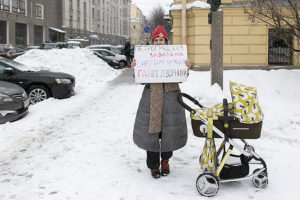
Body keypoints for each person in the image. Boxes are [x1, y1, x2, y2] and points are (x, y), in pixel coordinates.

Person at [131, 25, 191, 179]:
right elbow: (139, 80)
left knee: (168, 132)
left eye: (161, 40)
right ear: (153, 42)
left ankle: (165, 161)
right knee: (151, 133)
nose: (159, 42)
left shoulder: (174, 56)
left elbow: (180, 77)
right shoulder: (147, 56)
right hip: (152, 99)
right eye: (156, 40)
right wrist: (135, 69)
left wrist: (185, 68)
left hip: (171, 100)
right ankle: (153, 166)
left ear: (166, 41)